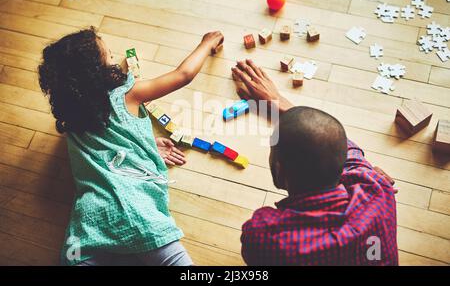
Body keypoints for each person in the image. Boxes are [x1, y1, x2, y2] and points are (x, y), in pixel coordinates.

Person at [38, 26, 224, 266]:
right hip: (136, 214)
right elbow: (183, 75)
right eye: (110, 55)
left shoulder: (71, 119)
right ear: (98, 70)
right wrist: (206, 44)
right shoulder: (126, 94)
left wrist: (144, 146)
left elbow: (105, 148)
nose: (114, 58)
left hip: (89, 224)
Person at [231, 59, 398, 265]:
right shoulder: (378, 190)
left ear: (278, 170)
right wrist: (278, 101)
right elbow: (343, 147)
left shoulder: (266, 237)